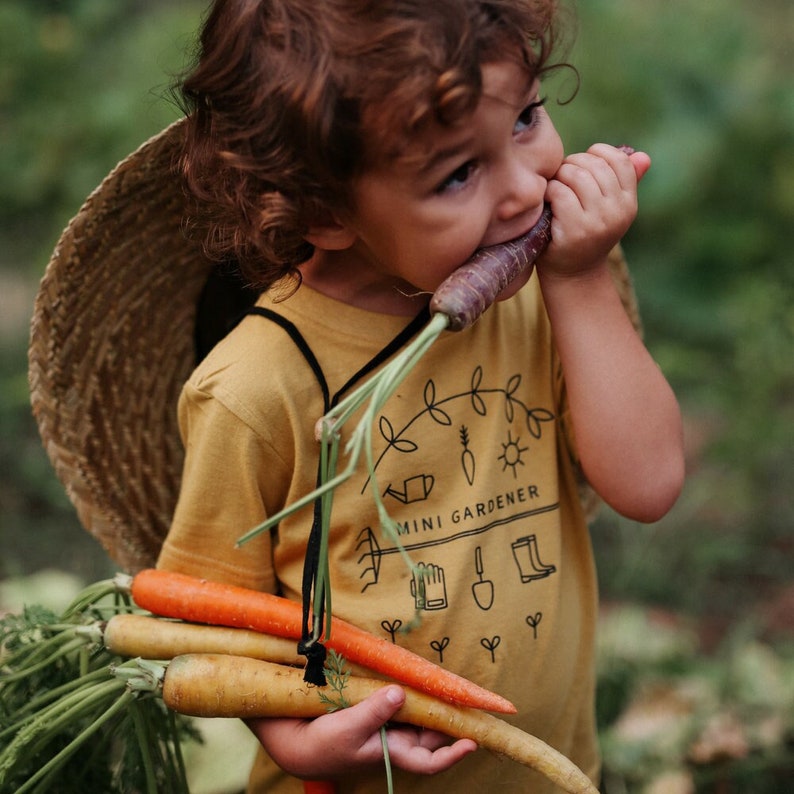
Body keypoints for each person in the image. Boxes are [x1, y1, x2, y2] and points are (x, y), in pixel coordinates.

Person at [155, 0, 685, 791]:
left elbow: (648, 483)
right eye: (458, 173)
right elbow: (211, 624)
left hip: (547, 773)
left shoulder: (549, 289)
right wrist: (301, 745)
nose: (521, 191)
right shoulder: (256, 386)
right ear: (325, 211)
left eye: (526, 119)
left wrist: (579, 281)